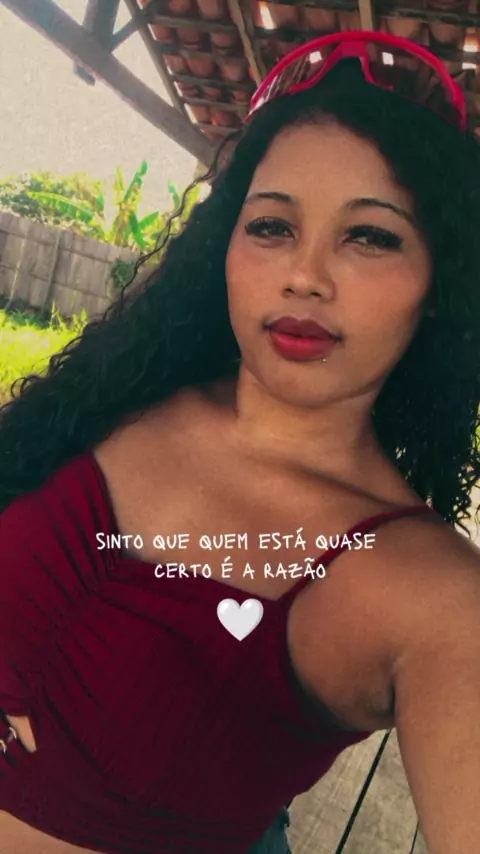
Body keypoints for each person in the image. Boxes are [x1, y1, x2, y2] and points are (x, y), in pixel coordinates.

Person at [0, 29, 479, 854]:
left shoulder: (431, 596)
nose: (305, 275)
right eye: (271, 226)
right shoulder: (118, 395)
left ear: (440, 283)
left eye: (370, 235)